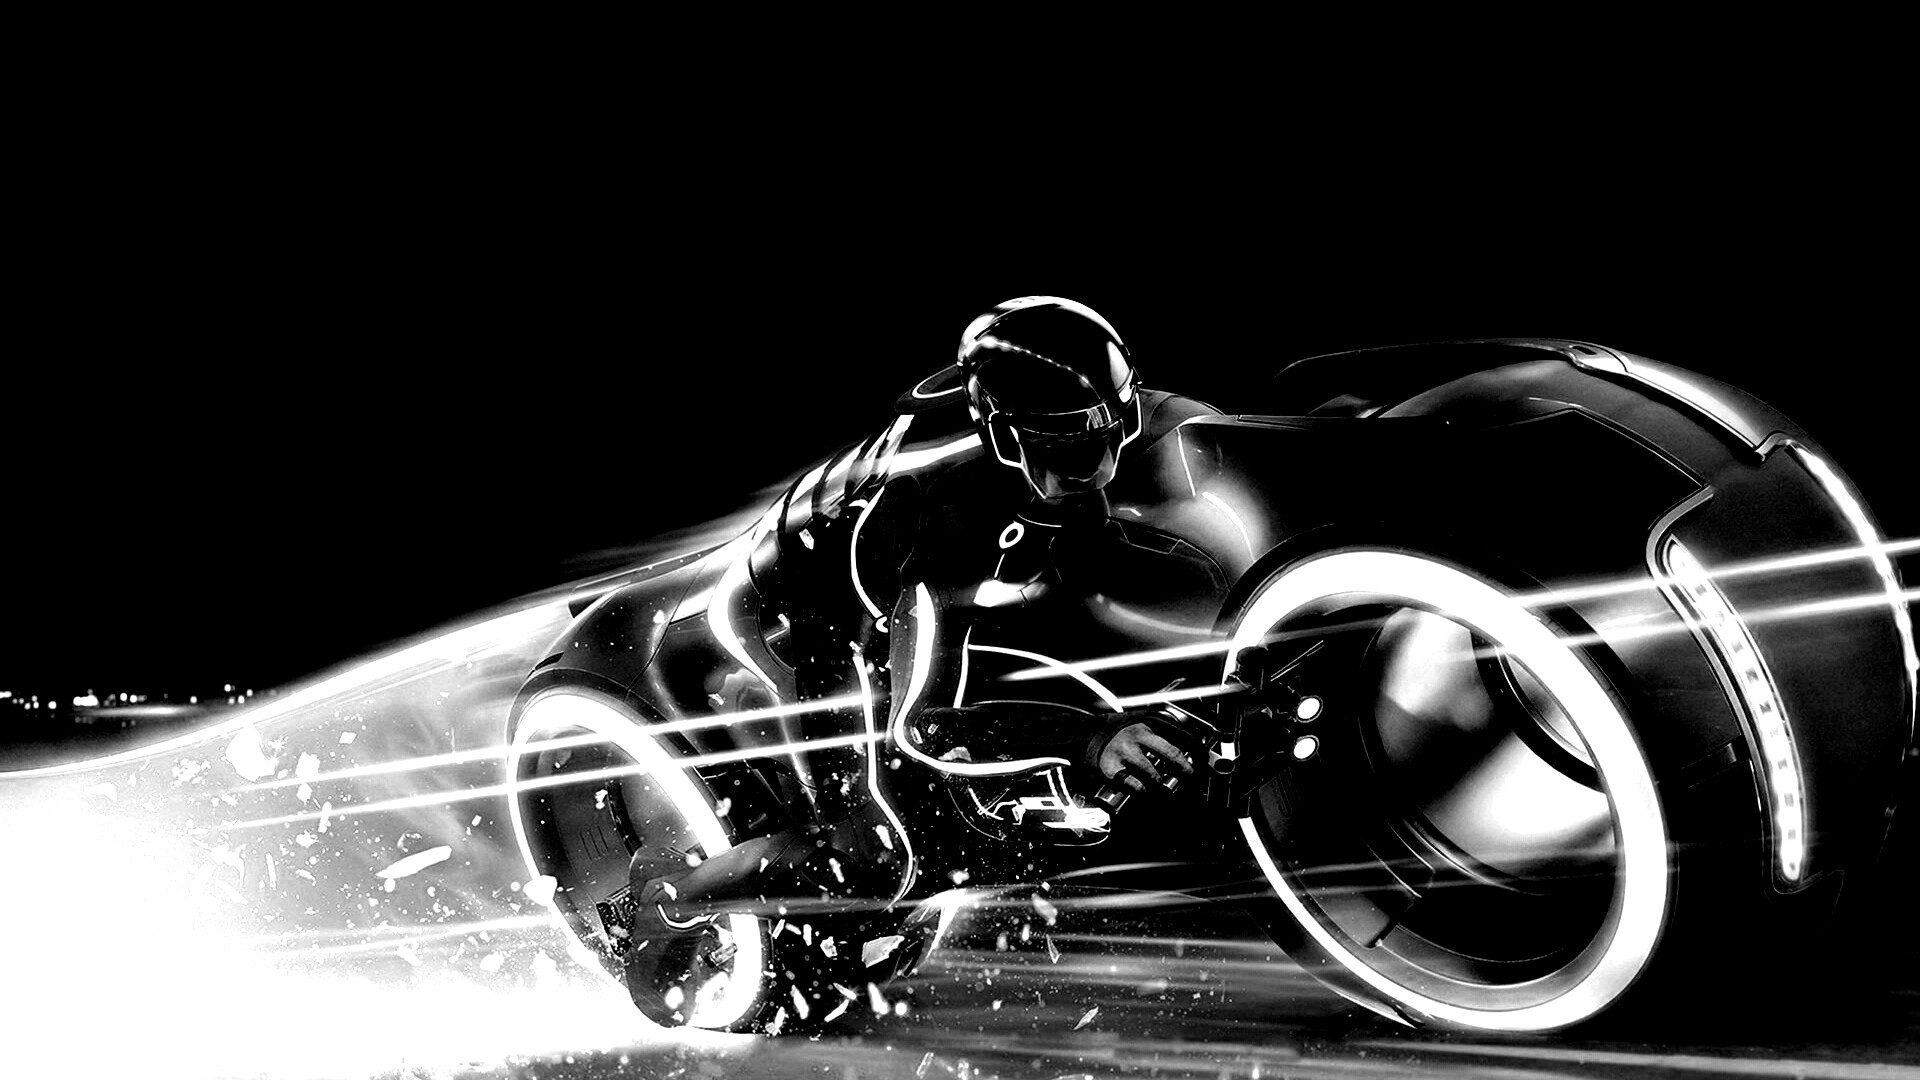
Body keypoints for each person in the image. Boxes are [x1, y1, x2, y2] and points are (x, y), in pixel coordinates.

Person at [623, 297, 1219, 1024]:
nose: (1095, 470)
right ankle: (671, 898)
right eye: (1063, 453)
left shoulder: (1106, 416)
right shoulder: (940, 516)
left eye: (1107, 438)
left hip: (928, 557)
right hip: (818, 611)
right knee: (875, 853)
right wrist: (1087, 738)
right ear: (1003, 437)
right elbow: (924, 724)